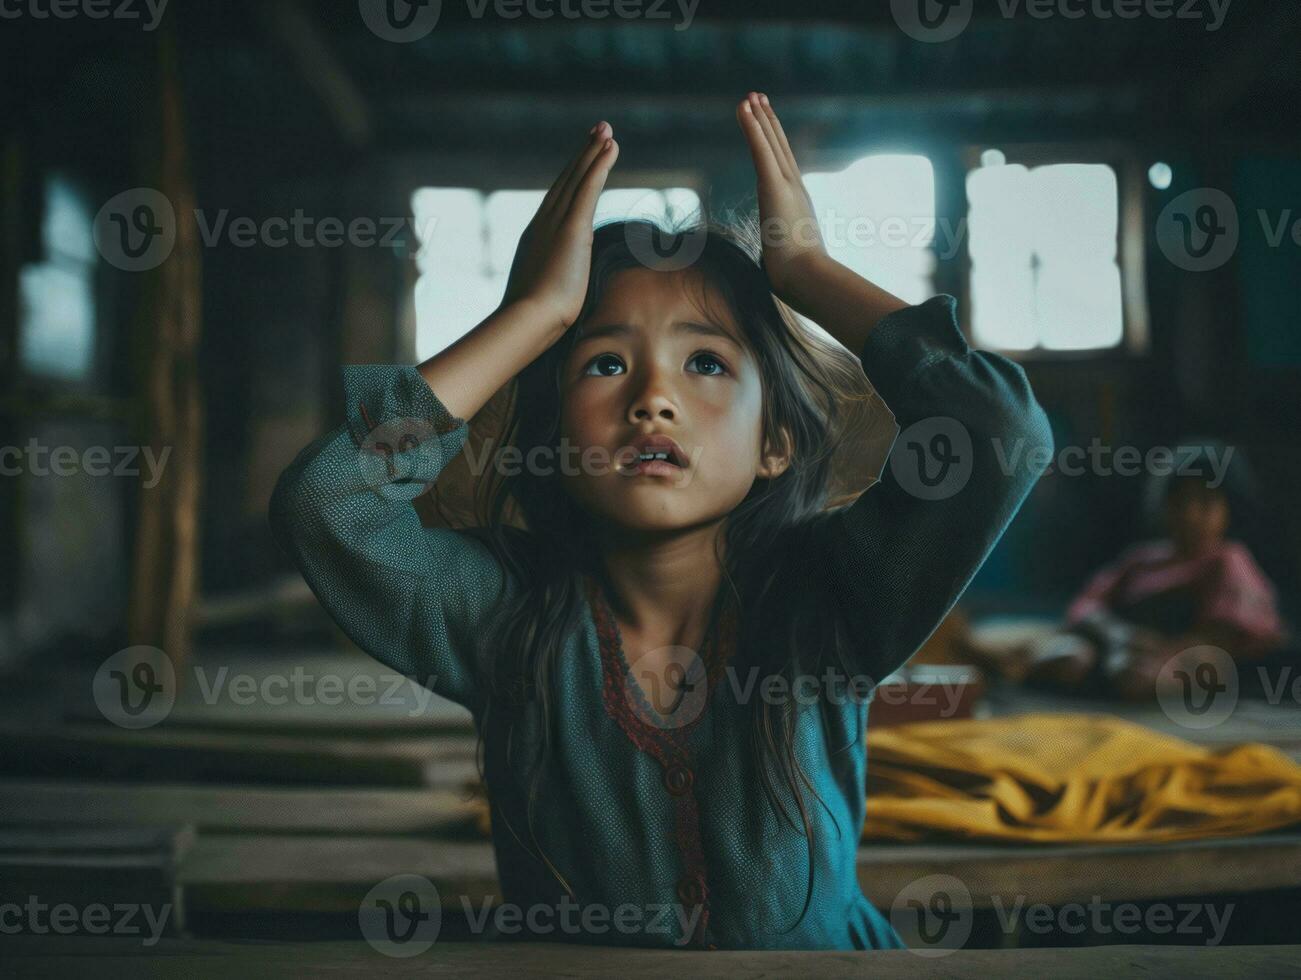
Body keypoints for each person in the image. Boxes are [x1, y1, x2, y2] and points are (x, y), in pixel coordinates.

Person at [268, 93, 1053, 950]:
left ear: (776, 443)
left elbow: (997, 434)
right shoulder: (503, 615)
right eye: (603, 362)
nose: (652, 400)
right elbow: (327, 503)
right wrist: (529, 317)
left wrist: (809, 273)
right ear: (555, 439)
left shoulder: (830, 599)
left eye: (705, 363)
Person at [1018, 446, 1289, 700]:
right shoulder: (1141, 560)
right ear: (1165, 506)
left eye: (1206, 503)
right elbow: (1085, 606)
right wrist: (1119, 635)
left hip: (1181, 655)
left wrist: (1158, 650)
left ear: (1229, 511)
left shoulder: (1229, 560)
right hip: (1114, 648)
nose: (1191, 514)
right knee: (1068, 660)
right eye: (1181, 501)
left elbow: (1227, 634)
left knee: (1142, 675)